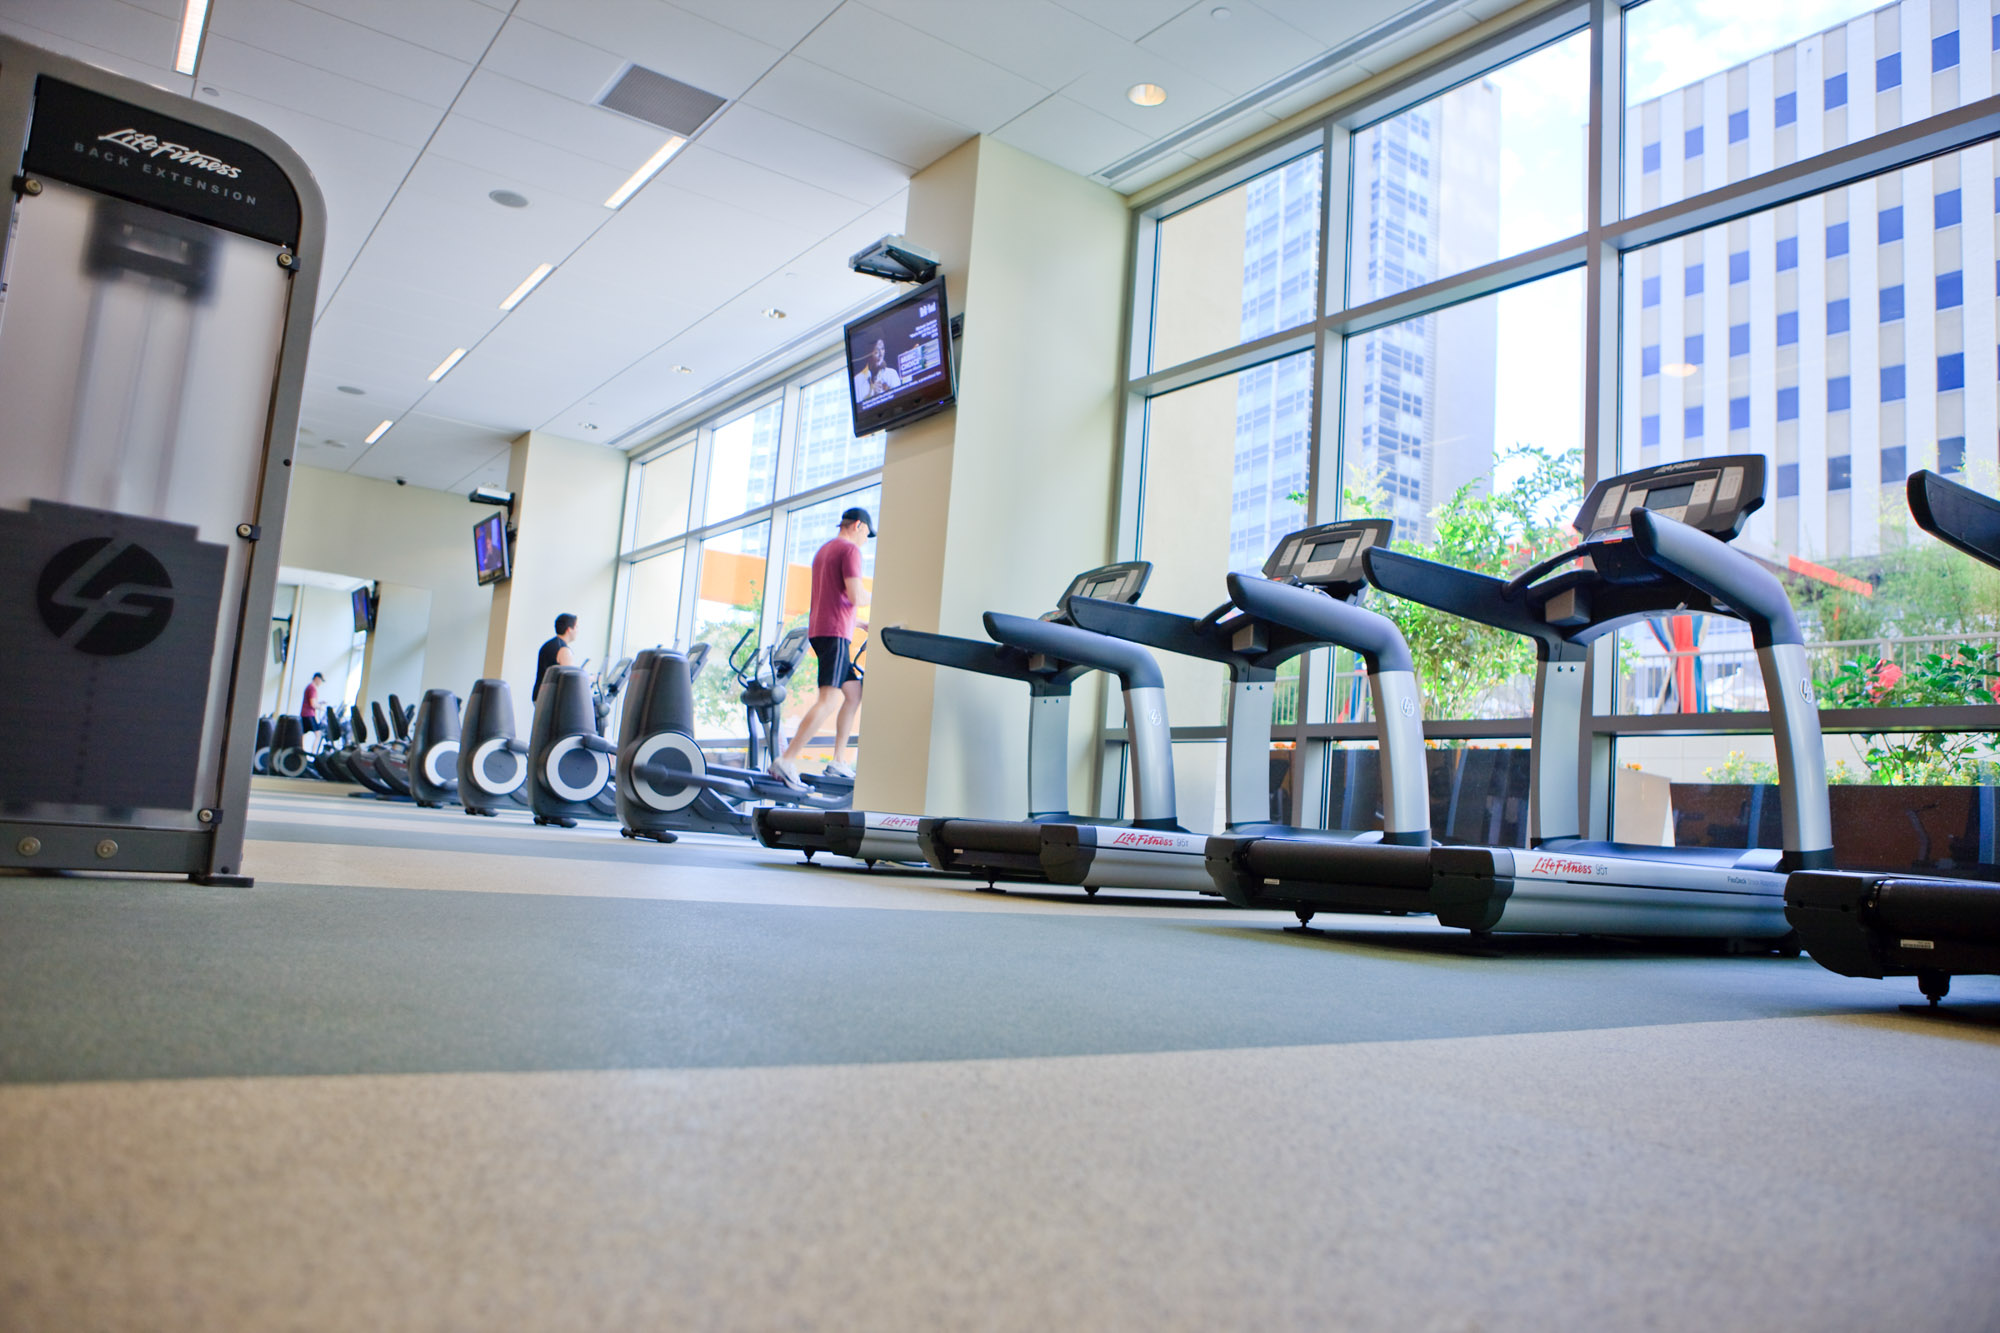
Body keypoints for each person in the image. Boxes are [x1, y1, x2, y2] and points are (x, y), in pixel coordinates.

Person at [770, 508, 874, 788]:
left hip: (823, 630)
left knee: (853, 694)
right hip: (835, 634)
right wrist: (881, 596)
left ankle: (839, 761)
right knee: (829, 699)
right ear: (858, 525)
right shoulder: (850, 551)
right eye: (867, 533)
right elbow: (856, 595)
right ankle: (787, 760)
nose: (866, 539)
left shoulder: (824, 550)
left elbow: (833, 599)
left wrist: (860, 623)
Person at [533, 613, 578, 703]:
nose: (578, 630)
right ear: (569, 629)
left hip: (539, 695)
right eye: (576, 627)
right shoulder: (563, 650)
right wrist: (591, 678)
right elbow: (571, 679)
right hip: (550, 699)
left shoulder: (548, 644)